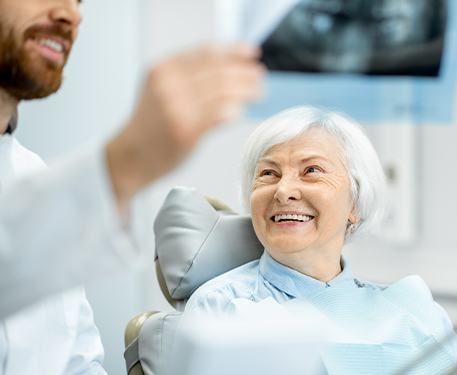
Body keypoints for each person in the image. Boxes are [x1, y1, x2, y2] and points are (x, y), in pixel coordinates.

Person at [0, 0, 264, 373]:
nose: (71, 14)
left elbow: (79, 361)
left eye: (78, 1)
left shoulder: (31, 172)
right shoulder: (55, 197)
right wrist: (124, 163)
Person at [184, 106, 457, 374]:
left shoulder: (414, 310)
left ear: (354, 203)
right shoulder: (223, 307)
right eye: (269, 173)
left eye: (311, 171)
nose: (283, 191)